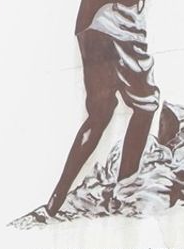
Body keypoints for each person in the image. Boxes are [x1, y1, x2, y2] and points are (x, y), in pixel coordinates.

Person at [46, 0, 161, 216]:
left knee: (99, 114)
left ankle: (56, 199)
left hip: (90, 28)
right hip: (117, 23)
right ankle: (124, 190)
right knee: (146, 105)